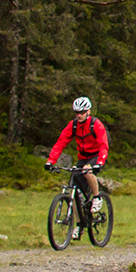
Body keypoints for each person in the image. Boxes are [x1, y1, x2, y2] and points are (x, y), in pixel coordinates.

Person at [45, 96, 109, 240]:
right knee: (74, 191)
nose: (79, 115)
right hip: (82, 156)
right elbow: (60, 142)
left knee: (87, 170)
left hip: (96, 155)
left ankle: (97, 197)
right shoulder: (73, 125)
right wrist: (50, 161)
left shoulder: (96, 124)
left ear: (88, 111)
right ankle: (79, 224)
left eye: (82, 112)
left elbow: (104, 145)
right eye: (76, 113)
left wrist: (100, 162)